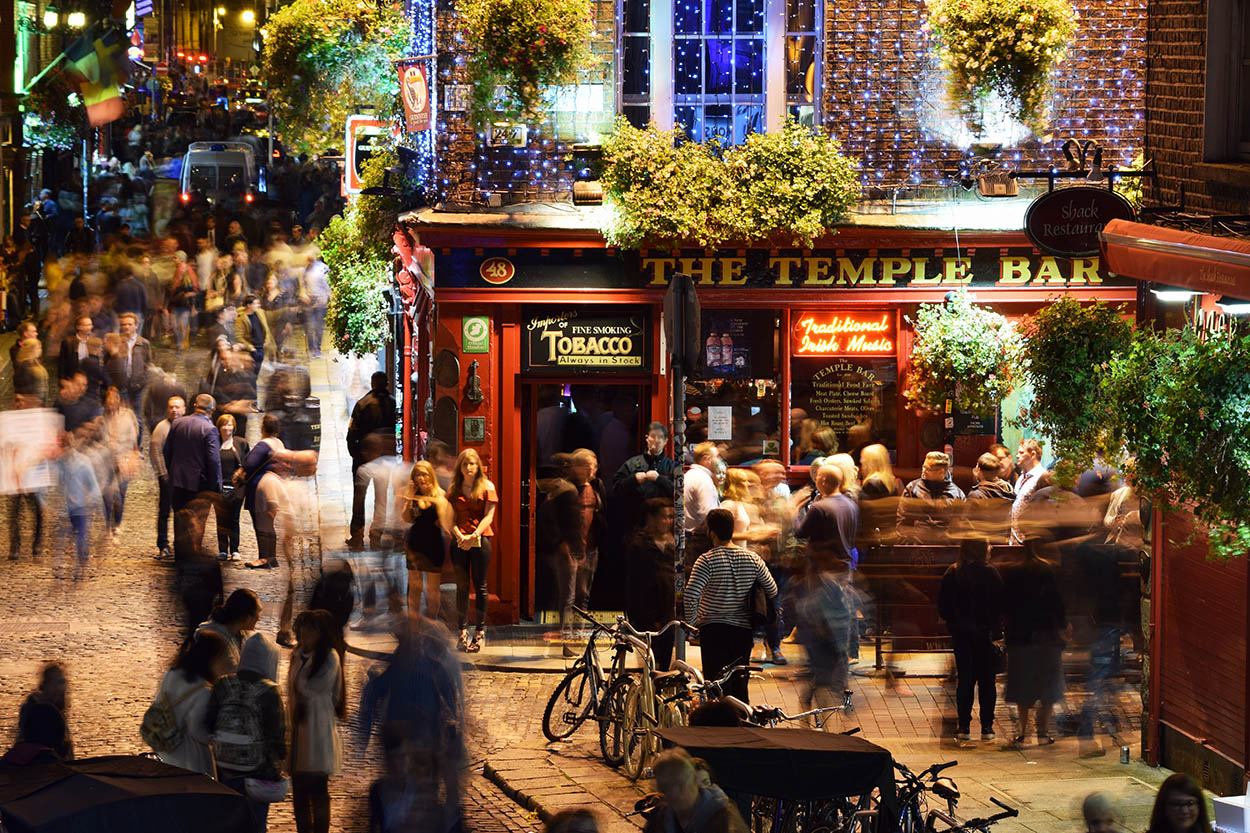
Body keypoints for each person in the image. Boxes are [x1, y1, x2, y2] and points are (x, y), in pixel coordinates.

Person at [358, 615, 466, 833]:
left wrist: (365, 734)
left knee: (418, 789)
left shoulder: (417, 664)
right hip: (413, 736)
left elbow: (374, 693)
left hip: (419, 736)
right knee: (419, 789)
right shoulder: (424, 665)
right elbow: (451, 701)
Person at [685, 508, 778, 703]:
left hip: (713, 630)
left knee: (715, 683)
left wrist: (693, 625)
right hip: (742, 631)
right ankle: (741, 720)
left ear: (711, 532)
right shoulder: (752, 559)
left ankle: (719, 724)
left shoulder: (706, 560)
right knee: (739, 682)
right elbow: (772, 589)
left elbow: (691, 594)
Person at [206, 633, 287, 833]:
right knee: (255, 822)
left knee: (227, 821)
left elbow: (209, 723)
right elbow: (276, 735)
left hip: (224, 766)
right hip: (256, 771)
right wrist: (279, 762)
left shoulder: (223, 684)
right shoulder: (269, 691)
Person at [1002, 538, 1067, 746]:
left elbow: (1006, 605)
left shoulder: (1012, 572)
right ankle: (1043, 731)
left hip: (1019, 636)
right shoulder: (1047, 570)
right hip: (1045, 635)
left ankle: (1022, 731)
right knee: (1047, 685)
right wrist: (1064, 626)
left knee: (1022, 685)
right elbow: (1056, 603)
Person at [938, 537, 1004, 741]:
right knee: (987, 682)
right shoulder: (991, 572)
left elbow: (943, 606)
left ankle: (964, 726)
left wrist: (955, 625)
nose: (991, 548)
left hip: (962, 636)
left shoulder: (953, 572)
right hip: (985, 636)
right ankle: (987, 727)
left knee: (965, 680)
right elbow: (999, 604)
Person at [289, 609, 345, 833]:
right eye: (303, 627)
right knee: (299, 790)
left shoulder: (330, 657)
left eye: (310, 628)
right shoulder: (297, 655)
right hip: (298, 731)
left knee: (318, 790)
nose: (304, 633)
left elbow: (313, 688)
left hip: (318, 732)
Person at [153, 629, 232, 776]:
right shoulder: (204, 691)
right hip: (188, 755)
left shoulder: (172, 674)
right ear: (212, 659)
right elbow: (197, 730)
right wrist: (215, 739)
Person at [449, 449, 497, 653]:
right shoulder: (454, 488)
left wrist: (474, 535)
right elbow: (448, 516)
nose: (469, 468)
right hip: (459, 540)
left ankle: (479, 630)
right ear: (460, 467)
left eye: (472, 464)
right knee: (461, 586)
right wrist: (458, 534)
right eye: (465, 464)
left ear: (478, 466)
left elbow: (489, 516)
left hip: (480, 539)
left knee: (481, 586)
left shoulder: (487, 487)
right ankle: (461, 631)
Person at [164, 394, 222, 559]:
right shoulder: (209, 429)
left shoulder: (177, 423)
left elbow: (166, 452)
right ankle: (192, 558)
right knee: (197, 523)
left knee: (179, 520)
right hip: (199, 484)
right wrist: (216, 487)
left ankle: (179, 558)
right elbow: (213, 461)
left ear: (195, 405)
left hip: (177, 481)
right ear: (212, 410)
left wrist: (173, 472)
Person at [625, 499, 679, 672]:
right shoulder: (638, 544)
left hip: (669, 608)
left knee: (666, 654)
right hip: (647, 608)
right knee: (650, 655)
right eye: (663, 517)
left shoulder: (676, 544)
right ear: (651, 518)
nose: (667, 521)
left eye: (670, 517)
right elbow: (634, 580)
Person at [643, 747, 748, 833]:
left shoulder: (721, 815)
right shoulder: (662, 815)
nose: (674, 793)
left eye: (679, 785)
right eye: (665, 788)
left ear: (692, 781)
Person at [347, 372, 397, 550]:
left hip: (364, 457)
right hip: (384, 458)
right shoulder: (393, 403)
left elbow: (352, 432)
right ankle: (376, 536)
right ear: (387, 383)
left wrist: (356, 454)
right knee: (381, 498)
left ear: (372, 383)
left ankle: (357, 537)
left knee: (359, 498)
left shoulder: (362, 403)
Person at [403, 460, 453, 621]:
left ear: (430, 475)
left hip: (433, 543)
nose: (420, 478)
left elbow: (445, 523)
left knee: (432, 589)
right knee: (415, 587)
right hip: (415, 541)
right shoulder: (412, 494)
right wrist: (409, 498)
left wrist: (437, 503)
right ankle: (414, 625)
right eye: (417, 474)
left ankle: (432, 620)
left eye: (424, 474)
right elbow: (407, 519)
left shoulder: (440, 494)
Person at [612, 421, 676, 533]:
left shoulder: (671, 466)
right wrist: (633, 479)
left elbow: (679, 494)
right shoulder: (631, 463)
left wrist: (660, 480)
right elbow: (616, 489)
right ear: (647, 438)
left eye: (660, 437)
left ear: (665, 441)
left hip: (664, 524)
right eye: (653, 437)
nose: (656, 441)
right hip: (634, 522)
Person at [59, 430, 103, 582]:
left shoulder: (83, 463)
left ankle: (81, 565)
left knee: (81, 537)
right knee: (66, 537)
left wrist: (86, 500)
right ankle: (73, 562)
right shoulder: (60, 463)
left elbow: (94, 488)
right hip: (66, 508)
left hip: (81, 508)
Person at [896, 451, 965, 542]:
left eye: (927, 469)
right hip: (917, 549)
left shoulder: (957, 494)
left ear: (941, 472)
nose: (923, 471)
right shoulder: (912, 489)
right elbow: (902, 522)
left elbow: (961, 527)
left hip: (946, 550)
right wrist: (908, 547)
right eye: (923, 467)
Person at [100, 386, 141, 541]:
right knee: (107, 494)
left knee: (121, 492)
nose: (111, 403)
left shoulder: (128, 415)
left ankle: (117, 522)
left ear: (118, 400)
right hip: (106, 461)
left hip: (125, 458)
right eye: (108, 400)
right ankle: (107, 525)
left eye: (114, 399)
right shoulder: (101, 418)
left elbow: (135, 433)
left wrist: (135, 451)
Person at [151, 395, 186, 559]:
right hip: (167, 477)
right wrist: (163, 475)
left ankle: (181, 544)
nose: (174, 410)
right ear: (167, 409)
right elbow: (156, 452)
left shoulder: (187, 425)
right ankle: (163, 544)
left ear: (184, 409)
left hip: (184, 478)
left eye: (177, 407)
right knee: (165, 511)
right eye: (171, 407)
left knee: (182, 512)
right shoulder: (162, 428)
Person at [17, 662, 73, 761]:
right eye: (54, 683)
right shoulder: (35, 711)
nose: (59, 688)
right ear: (44, 685)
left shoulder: (58, 708)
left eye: (61, 682)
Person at [197, 588, 263, 671]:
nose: (259, 618)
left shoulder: (239, 634)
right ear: (247, 618)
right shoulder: (216, 640)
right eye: (258, 613)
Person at [683, 442, 722, 574]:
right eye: (717, 456)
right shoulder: (703, 479)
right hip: (698, 541)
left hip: (689, 538)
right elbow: (708, 515)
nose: (719, 460)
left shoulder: (690, 475)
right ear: (707, 458)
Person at [215, 414, 250, 560]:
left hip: (236, 488)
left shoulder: (240, 443)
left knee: (234, 519)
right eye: (224, 425)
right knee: (221, 520)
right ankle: (223, 550)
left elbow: (248, 463)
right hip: (219, 488)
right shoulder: (214, 443)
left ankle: (235, 549)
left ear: (234, 427)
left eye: (229, 425)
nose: (227, 428)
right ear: (219, 427)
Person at [106, 312, 151, 417]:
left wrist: (142, 382)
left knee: (136, 417)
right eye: (123, 324)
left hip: (136, 386)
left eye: (130, 324)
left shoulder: (144, 343)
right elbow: (107, 364)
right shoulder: (115, 341)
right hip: (119, 386)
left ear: (136, 325)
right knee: (118, 416)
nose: (126, 327)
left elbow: (148, 365)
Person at [965, 452, 1015, 541]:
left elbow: (967, 524)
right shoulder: (1008, 490)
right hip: (1003, 543)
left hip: (981, 545)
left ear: (979, 470)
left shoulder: (976, 495)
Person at [1011, 439, 1048, 543]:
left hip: (1030, 539)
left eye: (1022, 452)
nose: (1017, 456)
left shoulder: (1042, 477)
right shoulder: (1021, 478)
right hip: (1015, 539)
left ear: (1032, 455)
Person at [234, 294, 273, 379]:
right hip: (252, 350)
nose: (258, 306)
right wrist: (250, 348)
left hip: (261, 347)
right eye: (256, 304)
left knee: (256, 373)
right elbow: (239, 337)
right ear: (249, 305)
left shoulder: (260, 313)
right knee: (250, 374)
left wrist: (266, 340)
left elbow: (265, 327)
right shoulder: (241, 319)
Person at [57, 315, 94, 383]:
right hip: (73, 379)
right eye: (86, 325)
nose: (90, 327)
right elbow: (62, 364)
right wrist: (62, 380)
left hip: (90, 380)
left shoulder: (94, 341)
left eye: (90, 325)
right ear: (78, 327)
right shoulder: (68, 342)